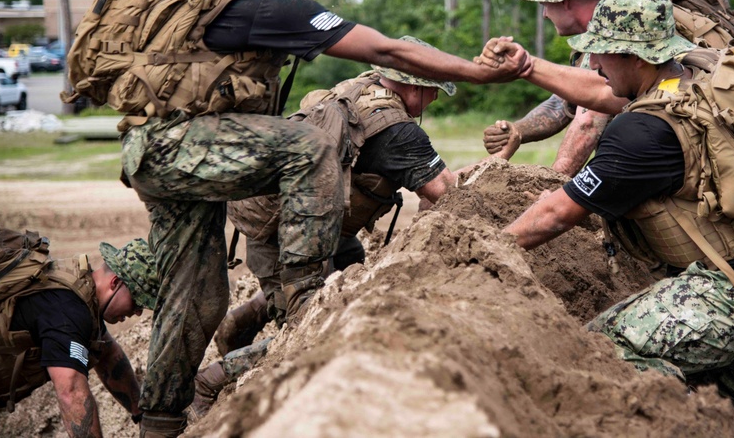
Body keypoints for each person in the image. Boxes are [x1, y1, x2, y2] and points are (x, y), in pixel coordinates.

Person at [119, 0, 529, 437]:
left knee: (200, 295)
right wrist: (480, 73)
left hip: (172, 153)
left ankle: (161, 423)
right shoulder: (269, 3)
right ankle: (309, 291)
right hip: (178, 145)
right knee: (307, 149)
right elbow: (385, 50)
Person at [493, 0, 734, 437]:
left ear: (637, 58)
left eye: (603, 54)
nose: (593, 66)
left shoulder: (642, 132)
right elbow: (600, 95)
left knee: (599, 349)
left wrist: (488, 248)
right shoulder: (694, 76)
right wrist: (531, 67)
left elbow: (557, 213)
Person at [190, 45, 520, 416]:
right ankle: (213, 379)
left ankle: (251, 314)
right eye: (433, 91)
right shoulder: (397, 131)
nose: (433, 100)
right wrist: (499, 160)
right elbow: (449, 196)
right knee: (313, 331)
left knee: (351, 279)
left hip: (306, 224)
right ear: (413, 88)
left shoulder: (361, 88)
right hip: (290, 237)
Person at [0, 238, 157, 438]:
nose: (137, 312)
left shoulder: (80, 288)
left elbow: (108, 355)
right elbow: (72, 394)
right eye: (137, 301)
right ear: (115, 282)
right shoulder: (69, 312)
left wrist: (141, 413)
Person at [481, 0, 613, 176]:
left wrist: (549, 191)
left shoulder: (615, 35)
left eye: (545, 3)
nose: (544, 14)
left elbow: (588, 122)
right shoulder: (589, 42)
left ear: (565, 1)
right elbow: (565, 101)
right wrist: (518, 130)